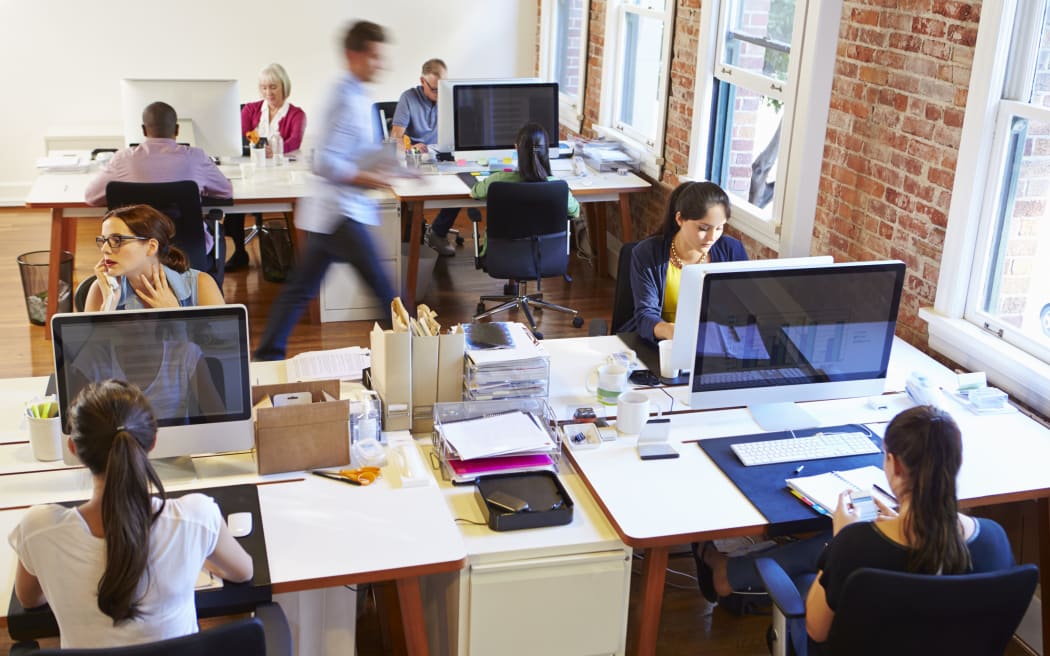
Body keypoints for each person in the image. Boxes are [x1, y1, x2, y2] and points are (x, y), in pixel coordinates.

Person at [697, 406, 1014, 647]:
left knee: (809, 577)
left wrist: (840, 540)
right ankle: (729, 571)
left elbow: (816, 630)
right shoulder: (995, 540)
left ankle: (727, 571)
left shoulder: (857, 545)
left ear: (894, 464)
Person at [8, 380, 252, 648]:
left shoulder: (38, 529)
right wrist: (198, 557)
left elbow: (29, 599)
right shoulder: (196, 517)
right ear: (153, 441)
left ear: (74, 449)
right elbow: (243, 572)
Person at [253, 21, 399, 361]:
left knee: (301, 289)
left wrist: (396, 167)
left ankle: (266, 355)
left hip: (336, 212)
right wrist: (366, 178)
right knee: (386, 291)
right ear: (354, 54)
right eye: (375, 56)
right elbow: (321, 160)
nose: (381, 64)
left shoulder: (360, 96)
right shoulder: (340, 97)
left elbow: (359, 150)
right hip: (339, 211)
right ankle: (409, 358)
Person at [84, 102, 233, 256]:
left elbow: (91, 197)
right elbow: (226, 191)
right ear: (177, 129)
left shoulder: (123, 158)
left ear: (143, 129)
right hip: (187, 250)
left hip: (134, 250)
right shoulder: (196, 157)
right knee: (216, 230)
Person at [620, 181, 748, 342]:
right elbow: (645, 316)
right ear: (680, 219)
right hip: (662, 345)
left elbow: (744, 307)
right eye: (703, 228)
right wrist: (671, 331)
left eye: (719, 228)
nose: (712, 237)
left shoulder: (732, 250)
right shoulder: (648, 253)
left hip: (715, 343)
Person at [226, 63, 307, 271]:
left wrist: (275, 150)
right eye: (264, 88)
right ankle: (239, 251)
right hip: (252, 168)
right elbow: (241, 138)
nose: (268, 92)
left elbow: (294, 142)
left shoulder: (297, 114)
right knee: (234, 197)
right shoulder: (250, 109)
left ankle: (291, 256)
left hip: (282, 172)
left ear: (283, 87)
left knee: (293, 203)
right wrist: (259, 147)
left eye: (273, 87)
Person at [85, 204, 225, 312]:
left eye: (117, 240)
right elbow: (87, 349)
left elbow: (224, 347)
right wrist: (108, 306)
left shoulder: (201, 284)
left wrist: (175, 317)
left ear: (151, 247)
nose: (105, 249)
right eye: (103, 240)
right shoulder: (101, 289)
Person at [389, 58, 459, 257]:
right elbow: (396, 138)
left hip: (442, 157)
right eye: (435, 90)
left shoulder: (450, 97)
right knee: (411, 196)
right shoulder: (408, 98)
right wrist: (411, 147)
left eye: (443, 88)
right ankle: (413, 234)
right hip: (416, 159)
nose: (439, 94)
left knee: (463, 184)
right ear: (422, 81)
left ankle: (438, 232)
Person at [469, 122, 580, 221]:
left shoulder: (497, 181)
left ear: (516, 147)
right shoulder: (559, 187)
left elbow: (474, 192)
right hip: (545, 244)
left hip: (505, 244)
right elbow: (575, 212)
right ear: (546, 149)